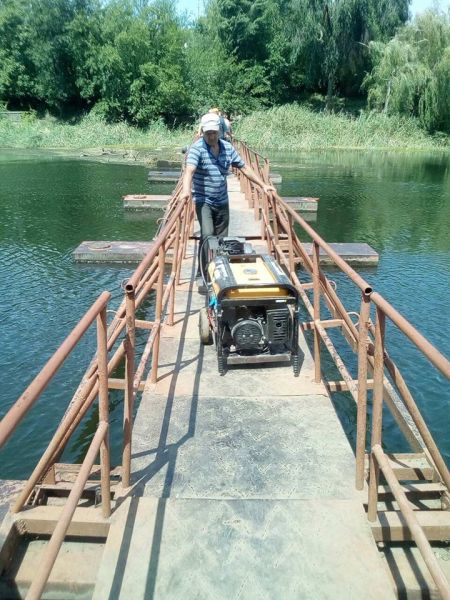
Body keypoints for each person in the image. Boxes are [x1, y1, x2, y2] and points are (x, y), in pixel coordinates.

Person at [181, 112, 276, 286]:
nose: (211, 136)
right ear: (202, 132)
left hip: (222, 200)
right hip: (204, 201)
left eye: (214, 133)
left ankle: (219, 271)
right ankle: (202, 273)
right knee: (208, 235)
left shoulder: (227, 147)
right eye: (207, 133)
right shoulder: (197, 149)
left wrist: (262, 185)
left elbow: (244, 167)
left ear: (219, 131)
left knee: (221, 240)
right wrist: (186, 190)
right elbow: (189, 171)